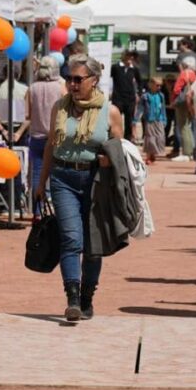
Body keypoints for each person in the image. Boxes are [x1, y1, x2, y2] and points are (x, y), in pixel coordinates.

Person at [35, 54, 124, 323]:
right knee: (71, 238)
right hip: (63, 177)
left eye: (78, 79)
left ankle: (87, 297)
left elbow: (123, 150)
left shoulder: (110, 111)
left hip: (96, 181)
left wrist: (110, 160)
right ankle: (72, 298)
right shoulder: (59, 108)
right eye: (69, 79)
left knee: (93, 244)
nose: (72, 84)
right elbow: (51, 144)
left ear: (94, 80)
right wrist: (41, 182)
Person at [19, 55, 67, 209]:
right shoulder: (60, 87)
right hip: (56, 137)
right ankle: (57, 207)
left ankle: (37, 210)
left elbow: (26, 114)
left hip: (36, 137)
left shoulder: (32, 88)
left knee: (37, 175)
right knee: (56, 174)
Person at [0, 65, 28, 143]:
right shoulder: (26, 90)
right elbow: (29, 115)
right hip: (21, 131)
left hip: (2, 130)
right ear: (18, 75)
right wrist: (19, 133)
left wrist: (3, 130)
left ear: (3, 75)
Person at [110, 50, 142, 143]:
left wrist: (139, 94)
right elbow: (108, 77)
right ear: (124, 56)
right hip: (118, 97)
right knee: (115, 119)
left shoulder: (134, 69)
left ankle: (127, 140)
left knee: (129, 120)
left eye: (132, 57)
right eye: (128, 56)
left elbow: (140, 82)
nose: (130, 59)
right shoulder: (116, 67)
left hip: (130, 98)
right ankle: (115, 138)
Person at [170, 58, 196, 161]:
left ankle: (186, 152)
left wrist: (173, 100)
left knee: (183, 127)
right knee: (189, 127)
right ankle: (192, 151)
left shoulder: (184, 74)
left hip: (182, 103)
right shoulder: (194, 74)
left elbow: (176, 89)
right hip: (191, 102)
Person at [142, 78, 167, 163]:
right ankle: (149, 155)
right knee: (150, 138)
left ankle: (153, 153)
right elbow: (140, 108)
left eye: (160, 85)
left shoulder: (161, 95)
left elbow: (163, 108)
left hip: (159, 119)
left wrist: (164, 119)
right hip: (149, 119)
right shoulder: (145, 96)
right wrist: (135, 120)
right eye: (157, 85)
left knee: (160, 137)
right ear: (151, 85)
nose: (159, 87)